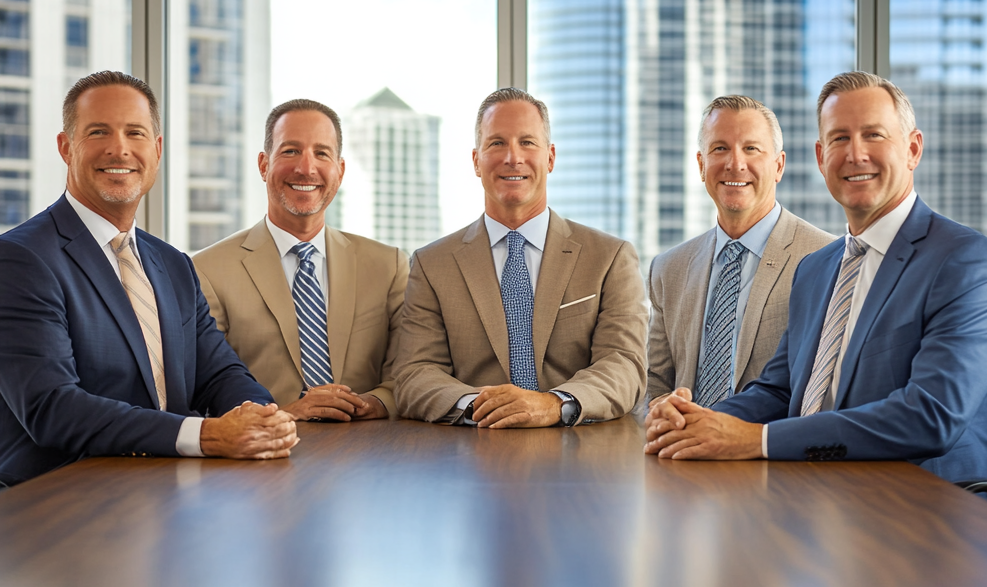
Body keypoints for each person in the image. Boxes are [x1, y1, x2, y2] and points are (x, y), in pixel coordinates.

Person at [645, 71, 987, 483]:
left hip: (922, 513)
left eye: (873, 135)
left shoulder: (966, 261)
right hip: (809, 496)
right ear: (821, 158)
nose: (855, 154)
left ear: (912, 150)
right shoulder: (817, 269)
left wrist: (758, 440)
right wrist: (696, 421)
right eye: (839, 138)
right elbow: (779, 391)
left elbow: (929, 418)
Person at [0, 70, 297, 487]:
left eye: (135, 133)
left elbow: (219, 373)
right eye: (99, 131)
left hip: (166, 493)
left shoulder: (173, 264)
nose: (119, 149)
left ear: (156, 151)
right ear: (66, 148)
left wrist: (265, 418)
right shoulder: (20, 258)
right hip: (58, 504)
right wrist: (207, 434)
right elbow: (52, 408)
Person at [395, 87, 647, 428]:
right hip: (471, 453)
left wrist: (552, 404)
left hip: (584, 457)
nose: (512, 157)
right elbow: (414, 374)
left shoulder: (609, 257)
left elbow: (624, 365)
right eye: (496, 143)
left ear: (551, 157)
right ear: (476, 160)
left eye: (527, 142)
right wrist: (485, 407)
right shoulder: (431, 264)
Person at [193, 99, 408, 421]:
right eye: (290, 151)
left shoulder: (388, 266)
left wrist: (374, 403)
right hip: (260, 456)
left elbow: (409, 370)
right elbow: (206, 384)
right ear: (264, 165)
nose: (306, 168)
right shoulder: (208, 271)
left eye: (321, 153)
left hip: (370, 452)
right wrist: (287, 414)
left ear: (340, 169)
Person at [647, 95, 832, 410]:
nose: (735, 163)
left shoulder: (827, 258)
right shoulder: (669, 268)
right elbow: (652, 384)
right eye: (720, 148)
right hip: (681, 450)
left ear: (779, 165)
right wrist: (661, 408)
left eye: (751, 149)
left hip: (775, 453)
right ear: (701, 164)